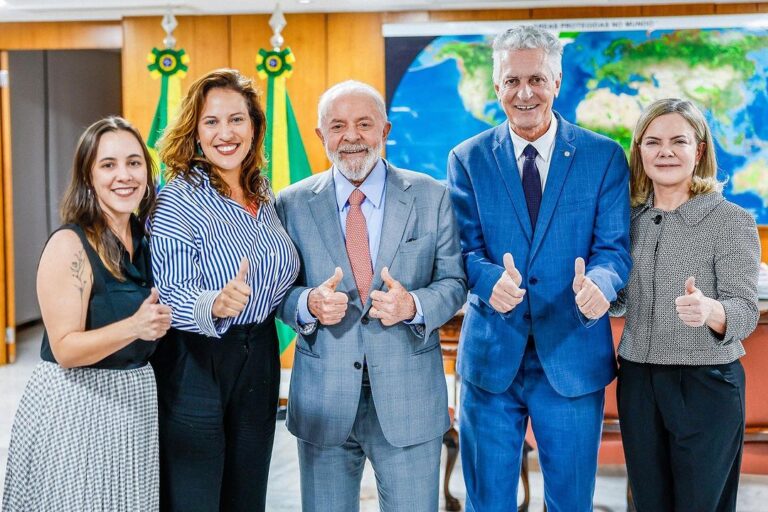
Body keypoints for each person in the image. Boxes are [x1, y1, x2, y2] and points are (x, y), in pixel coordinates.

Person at [447, 25, 631, 511]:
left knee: (571, 503)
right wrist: (489, 281)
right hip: (491, 359)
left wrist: (600, 284)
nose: (524, 93)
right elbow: (462, 250)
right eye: (511, 81)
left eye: (536, 79)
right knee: (488, 503)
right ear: (495, 86)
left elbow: (613, 250)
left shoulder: (604, 157)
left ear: (556, 80)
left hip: (571, 354)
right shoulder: (466, 160)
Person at [275, 80, 466, 512]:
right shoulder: (290, 203)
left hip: (409, 400)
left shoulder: (431, 197)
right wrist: (307, 304)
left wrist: (413, 305)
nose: (352, 136)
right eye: (338, 126)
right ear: (320, 135)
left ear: (385, 130)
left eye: (364, 124)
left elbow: (455, 282)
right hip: (324, 402)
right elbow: (278, 290)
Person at [2, 116, 170, 511]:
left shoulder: (146, 240)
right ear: (88, 176)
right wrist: (134, 326)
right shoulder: (70, 244)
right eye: (108, 165)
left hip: (134, 404)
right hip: (76, 406)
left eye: (133, 162)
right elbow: (65, 349)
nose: (123, 175)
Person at [149, 69, 300, 512]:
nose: (225, 133)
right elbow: (168, 289)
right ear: (195, 132)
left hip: (260, 356)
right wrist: (212, 301)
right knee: (196, 495)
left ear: (254, 127)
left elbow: (279, 280)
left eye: (237, 119)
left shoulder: (263, 193)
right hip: (198, 359)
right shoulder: (177, 197)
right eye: (211, 122)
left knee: (248, 491)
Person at [612, 98, 760, 512]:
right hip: (639, 382)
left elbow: (745, 309)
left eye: (679, 141)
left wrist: (712, 311)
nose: (666, 151)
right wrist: (594, 291)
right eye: (653, 141)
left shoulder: (730, 220)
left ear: (699, 150)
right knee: (649, 503)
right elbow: (622, 301)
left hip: (706, 385)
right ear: (639, 150)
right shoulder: (629, 220)